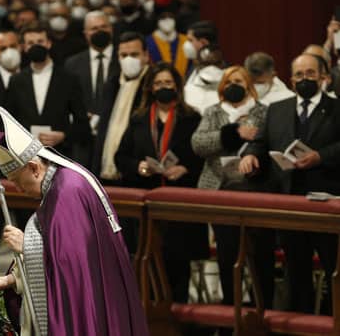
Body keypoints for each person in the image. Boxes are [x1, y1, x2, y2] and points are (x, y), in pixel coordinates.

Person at [0, 105, 147, 335]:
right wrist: (12, 281)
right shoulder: (59, 185)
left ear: (34, 168)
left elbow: (72, 266)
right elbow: (63, 261)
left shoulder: (67, 192)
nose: (19, 190)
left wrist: (26, 246)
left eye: (18, 181)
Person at [240, 54, 340, 314]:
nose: (303, 79)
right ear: (290, 78)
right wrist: (250, 154)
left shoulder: (337, 107)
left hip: (328, 203)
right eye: (298, 74)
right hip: (289, 203)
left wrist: (321, 156)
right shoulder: (278, 109)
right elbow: (260, 142)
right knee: (296, 273)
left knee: (334, 272)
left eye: (309, 73)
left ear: (323, 76)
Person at [115, 61, 208, 301]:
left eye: (168, 82)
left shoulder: (191, 118)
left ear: (177, 86)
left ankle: (177, 321)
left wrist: (185, 168)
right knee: (146, 267)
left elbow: (202, 159)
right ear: (150, 88)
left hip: (179, 204)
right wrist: (139, 166)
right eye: (158, 83)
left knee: (178, 266)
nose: (163, 87)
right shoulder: (139, 119)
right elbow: (121, 157)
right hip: (147, 204)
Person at [191, 65, 276, 309]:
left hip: (254, 191)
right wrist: (234, 133)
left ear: (249, 85)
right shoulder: (212, 112)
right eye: (227, 82)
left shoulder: (264, 112)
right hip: (220, 192)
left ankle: (262, 310)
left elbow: (264, 140)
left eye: (238, 81)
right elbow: (199, 143)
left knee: (260, 256)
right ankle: (230, 311)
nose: (232, 86)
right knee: (227, 256)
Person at [6, 22, 89, 159]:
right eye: (31, 43)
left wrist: (64, 136)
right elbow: (10, 119)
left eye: (40, 41)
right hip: (26, 156)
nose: (36, 46)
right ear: (24, 47)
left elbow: (82, 123)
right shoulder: (16, 80)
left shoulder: (68, 79)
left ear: (49, 43)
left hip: (60, 154)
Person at [93, 31, 150, 181]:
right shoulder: (111, 85)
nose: (128, 59)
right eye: (124, 55)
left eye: (134, 54)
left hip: (138, 172)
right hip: (106, 170)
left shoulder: (151, 85)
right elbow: (103, 132)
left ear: (146, 55)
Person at [64, 11, 118, 165]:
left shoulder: (123, 59)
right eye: (94, 28)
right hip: (83, 140)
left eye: (104, 27)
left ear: (111, 29)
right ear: (86, 33)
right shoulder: (72, 64)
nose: (99, 31)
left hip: (115, 136)